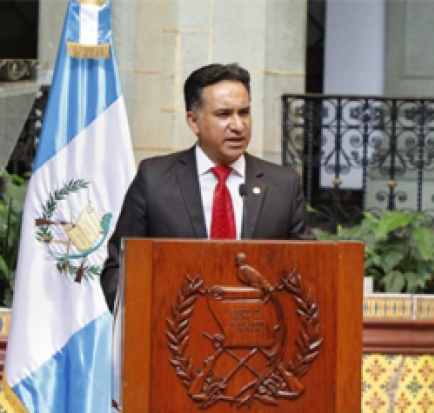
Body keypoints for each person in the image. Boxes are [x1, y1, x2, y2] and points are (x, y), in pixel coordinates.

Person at [101, 63, 311, 310]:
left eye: (244, 112)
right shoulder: (154, 179)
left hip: (259, 327)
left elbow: (308, 268)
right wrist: (147, 318)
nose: (238, 125)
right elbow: (118, 268)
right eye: (224, 114)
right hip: (173, 326)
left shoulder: (283, 185)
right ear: (194, 121)